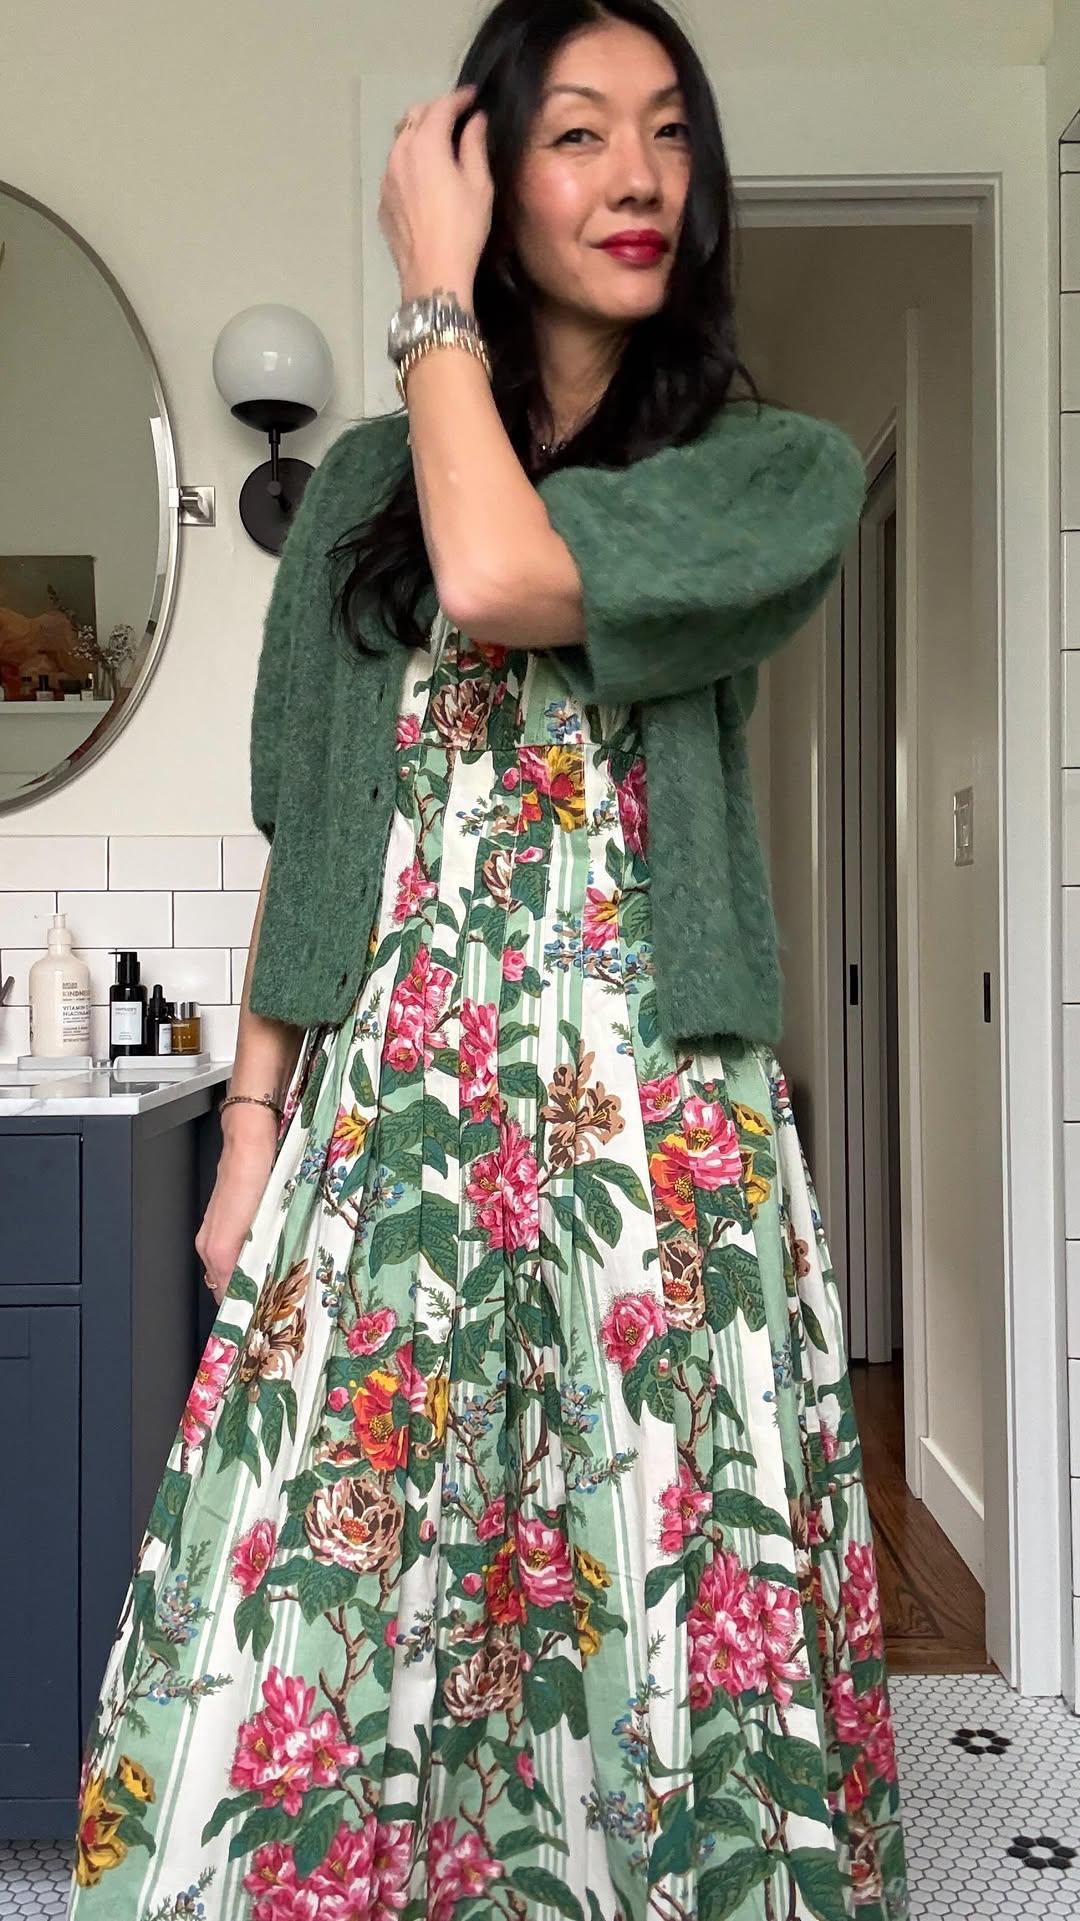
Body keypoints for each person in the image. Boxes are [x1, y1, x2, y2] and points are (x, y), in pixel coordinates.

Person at [67, 2, 909, 1916]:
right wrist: (251, 1126)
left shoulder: (766, 470)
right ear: (486, 172)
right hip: (398, 1129)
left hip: (658, 1138)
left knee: (660, 1604)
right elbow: (313, 834)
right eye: (579, 132)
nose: (638, 176)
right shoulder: (359, 492)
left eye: (670, 133)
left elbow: (505, 575)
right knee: (318, 1600)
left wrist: (428, 298)